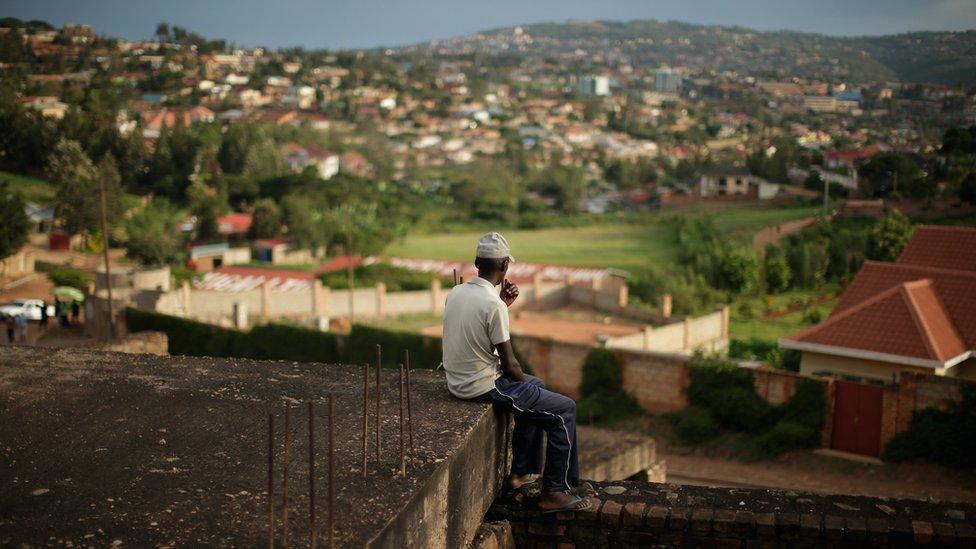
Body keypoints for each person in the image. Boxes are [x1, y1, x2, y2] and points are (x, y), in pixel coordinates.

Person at [441, 232, 589, 513]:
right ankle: (554, 491)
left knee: (538, 388)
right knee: (564, 410)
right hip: (482, 384)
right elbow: (511, 367)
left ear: (476, 262)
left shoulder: (457, 292)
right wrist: (525, 387)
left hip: (458, 380)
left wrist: (503, 305)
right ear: (505, 267)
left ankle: (521, 473)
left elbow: (475, 324)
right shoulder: (493, 305)